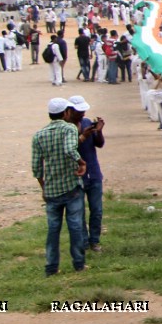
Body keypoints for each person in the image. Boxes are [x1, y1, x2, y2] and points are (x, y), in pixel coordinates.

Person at [31, 98, 87, 275]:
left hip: (52, 191)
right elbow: (70, 149)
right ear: (66, 113)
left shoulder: (39, 135)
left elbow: (36, 167)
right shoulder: (69, 128)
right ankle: (79, 263)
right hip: (71, 187)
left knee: (53, 230)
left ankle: (51, 267)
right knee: (75, 226)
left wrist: (44, 188)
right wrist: (81, 163)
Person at [67, 95, 106, 252]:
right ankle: (83, 242)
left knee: (96, 210)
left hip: (93, 172)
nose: (82, 114)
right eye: (79, 111)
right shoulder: (66, 128)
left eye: (83, 111)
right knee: (79, 211)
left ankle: (94, 241)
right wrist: (83, 136)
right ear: (69, 111)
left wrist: (99, 131)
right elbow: (69, 149)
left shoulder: (86, 122)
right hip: (76, 174)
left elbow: (100, 143)